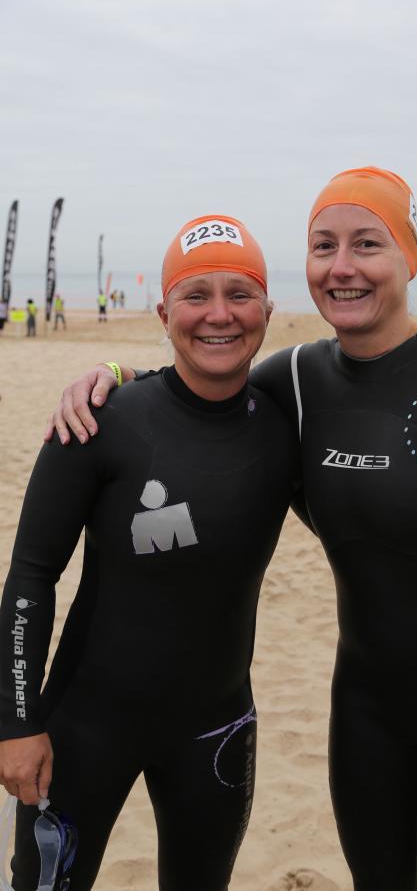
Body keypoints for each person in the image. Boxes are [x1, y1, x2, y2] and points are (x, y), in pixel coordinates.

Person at [44, 167, 417, 891]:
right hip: (367, 714)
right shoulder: (297, 379)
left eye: (367, 244)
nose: (343, 267)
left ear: (407, 257)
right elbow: (191, 385)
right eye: (324, 246)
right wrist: (107, 372)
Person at [0, 215, 298, 889]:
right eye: (195, 296)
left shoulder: (287, 427)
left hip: (218, 733)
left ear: (267, 310)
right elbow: (31, 578)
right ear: (164, 312)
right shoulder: (98, 422)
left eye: (239, 294)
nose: (218, 315)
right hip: (83, 732)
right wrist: (15, 723)